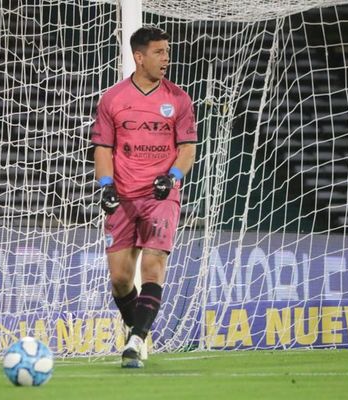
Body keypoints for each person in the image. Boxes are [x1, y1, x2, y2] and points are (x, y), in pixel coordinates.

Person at [91, 26, 197, 368]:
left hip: (160, 195)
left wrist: (172, 177)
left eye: (167, 51)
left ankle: (136, 341)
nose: (166, 58)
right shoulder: (113, 99)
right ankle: (137, 326)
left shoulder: (178, 99)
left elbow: (187, 149)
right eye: (159, 52)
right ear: (139, 56)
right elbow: (104, 147)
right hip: (123, 196)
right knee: (121, 280)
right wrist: (106, 185)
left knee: (153, 267)